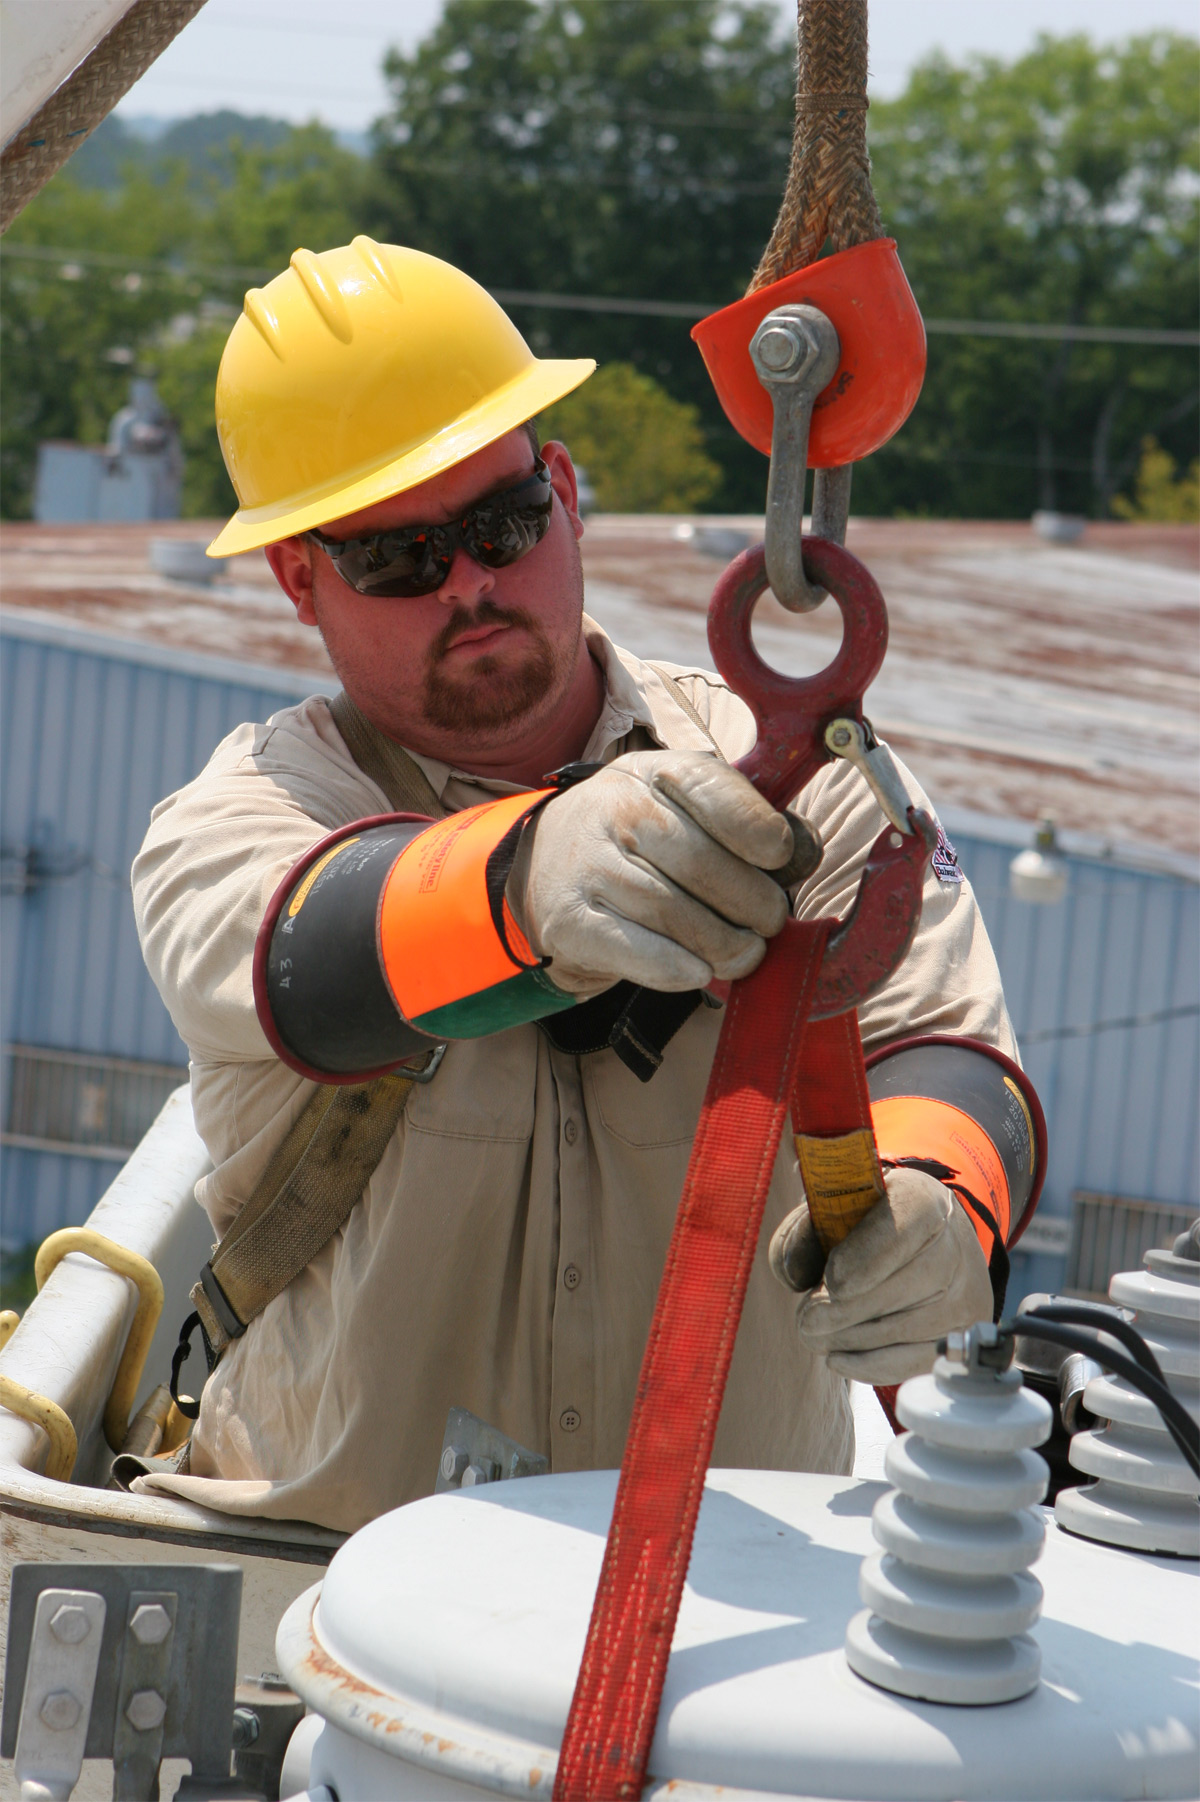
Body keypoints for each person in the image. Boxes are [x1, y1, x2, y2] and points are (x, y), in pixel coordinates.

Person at [131, 239, 1035, 1534]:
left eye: (502, 524)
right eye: (399, 557)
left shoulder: (804, 779)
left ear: (562, 492)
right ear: (300, 577)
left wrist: (938, 1202)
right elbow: (313, 956)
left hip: (719, 1599)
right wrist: (531, 875)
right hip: (328, 1595)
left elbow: (943, 1045)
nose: (473, 583)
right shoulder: (242, 821)